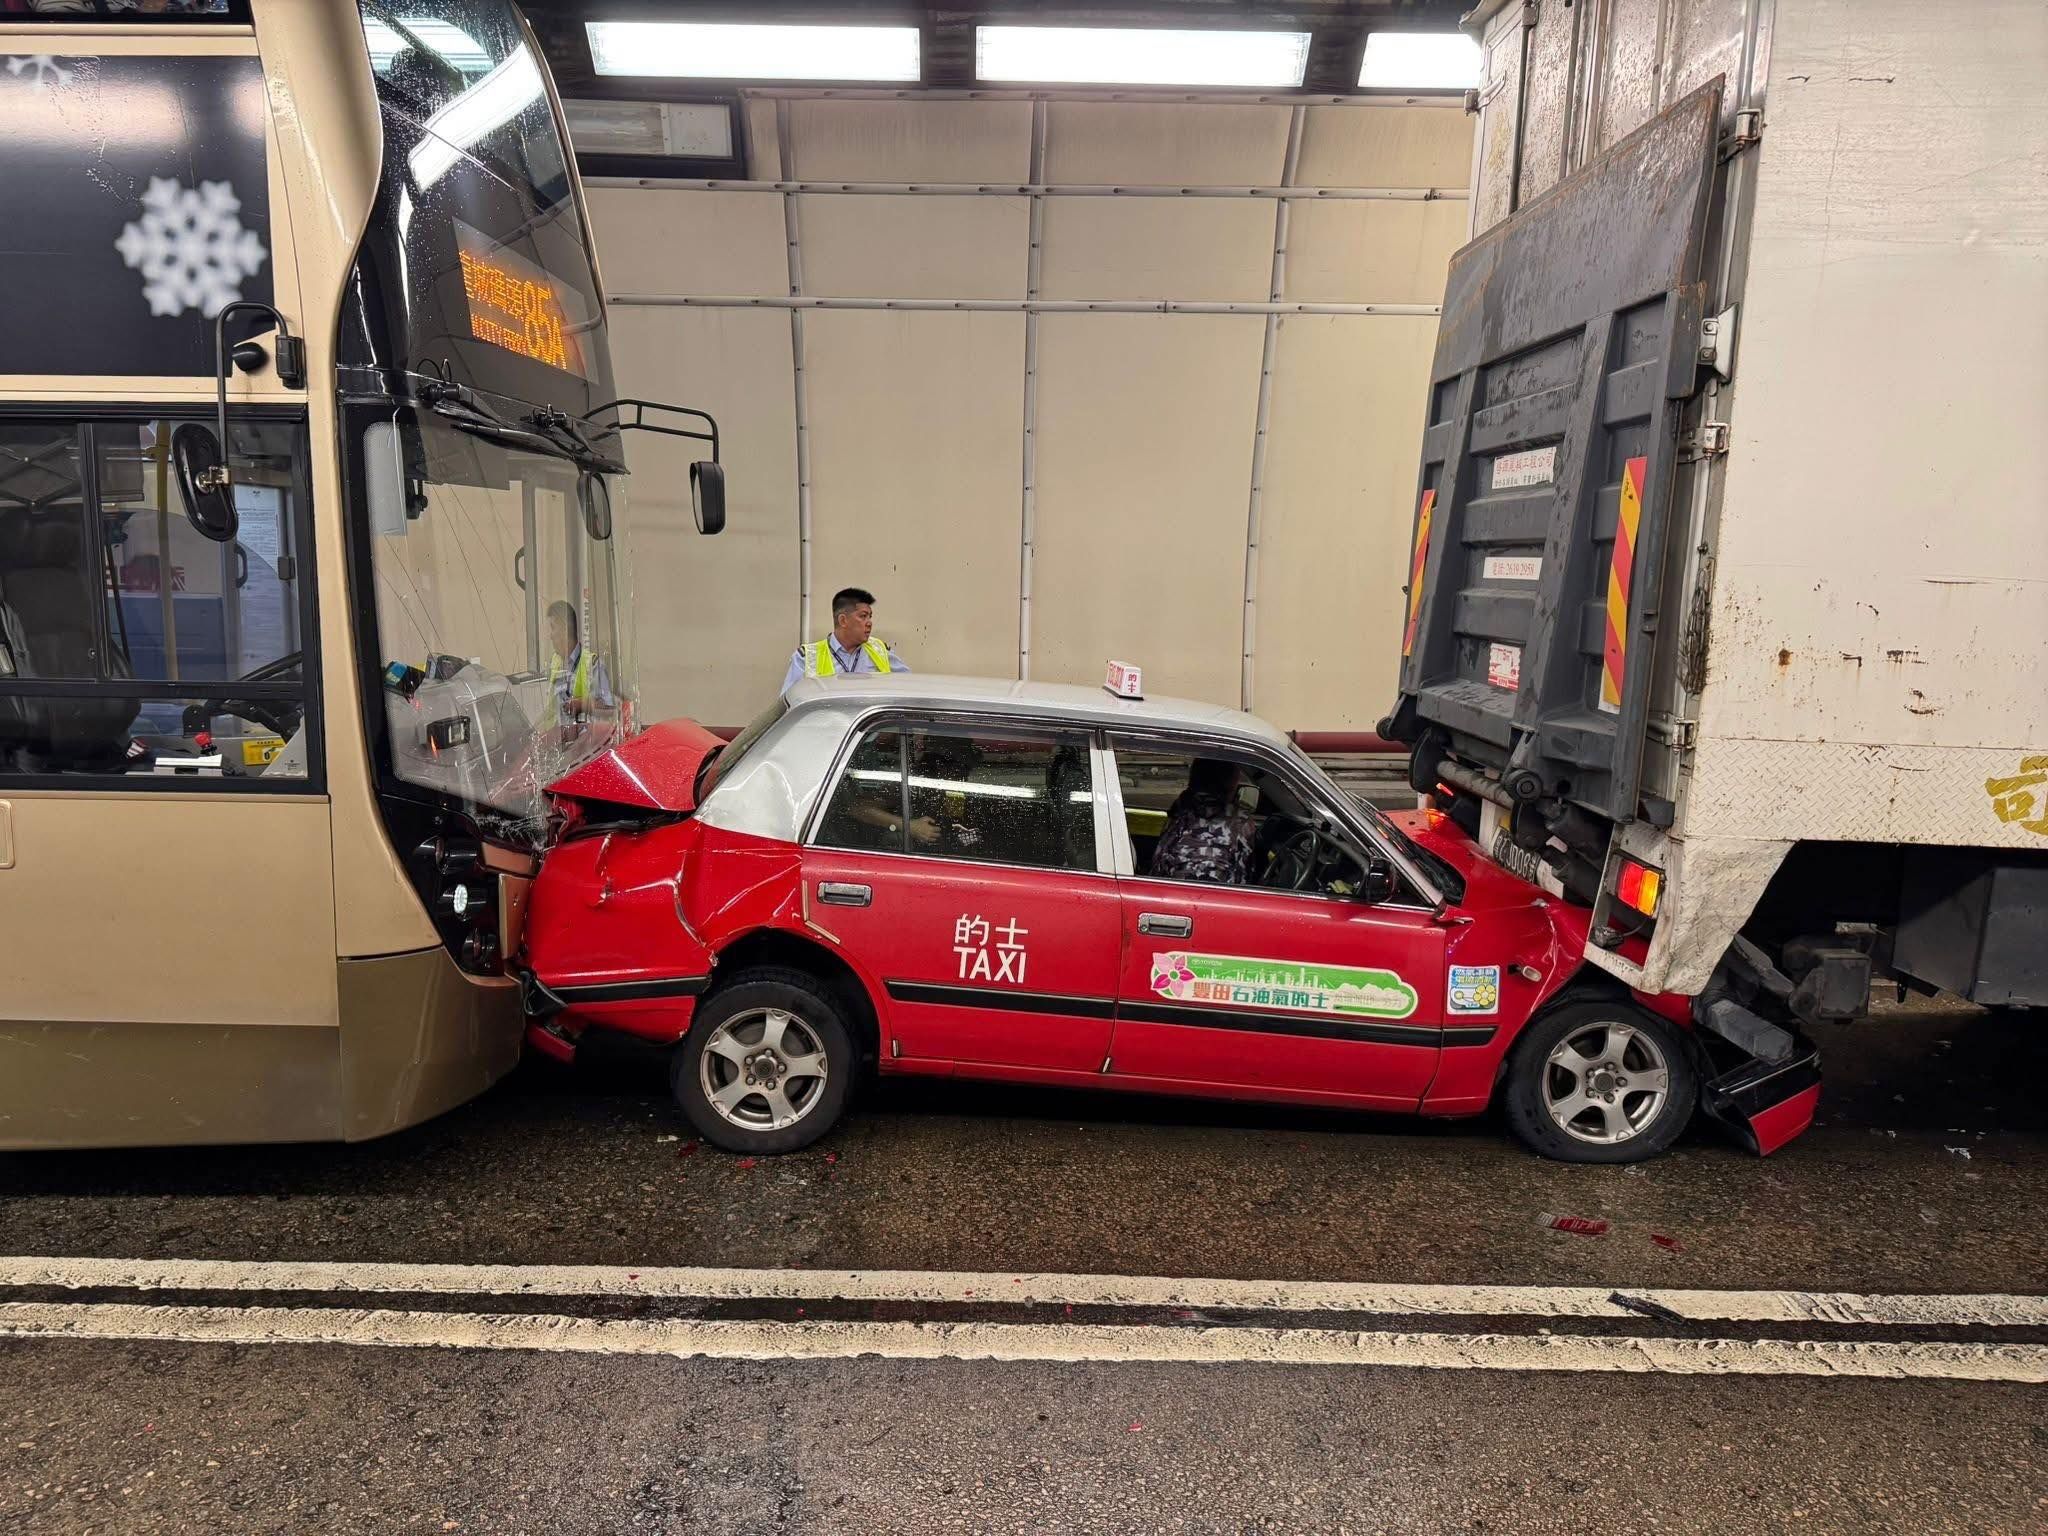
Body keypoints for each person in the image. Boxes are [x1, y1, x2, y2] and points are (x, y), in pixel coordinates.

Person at [781, 587, 909, 696]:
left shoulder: (881, 651)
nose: (869, 623)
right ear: (843, 621)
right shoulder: (806, 658)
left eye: (870, 617)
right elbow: (789, 705)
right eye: (863, 616)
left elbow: (908, 688)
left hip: (868, 725)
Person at [1149, 758, 1258, 885]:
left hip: (1169, 894)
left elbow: (1158, 860)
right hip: (1218, 899)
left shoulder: (1180, 810)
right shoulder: (1241, 821)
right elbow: (1248, 873)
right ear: (1230, 784)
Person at [544, 600, 613, 726]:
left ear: (565, 629)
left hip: (585, 742)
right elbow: (551, 711)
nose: (550, 636)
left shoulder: (593, 665)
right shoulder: (554, 662)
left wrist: (582, 704)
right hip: (558, 741)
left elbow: (610, 711)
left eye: (553, 627)